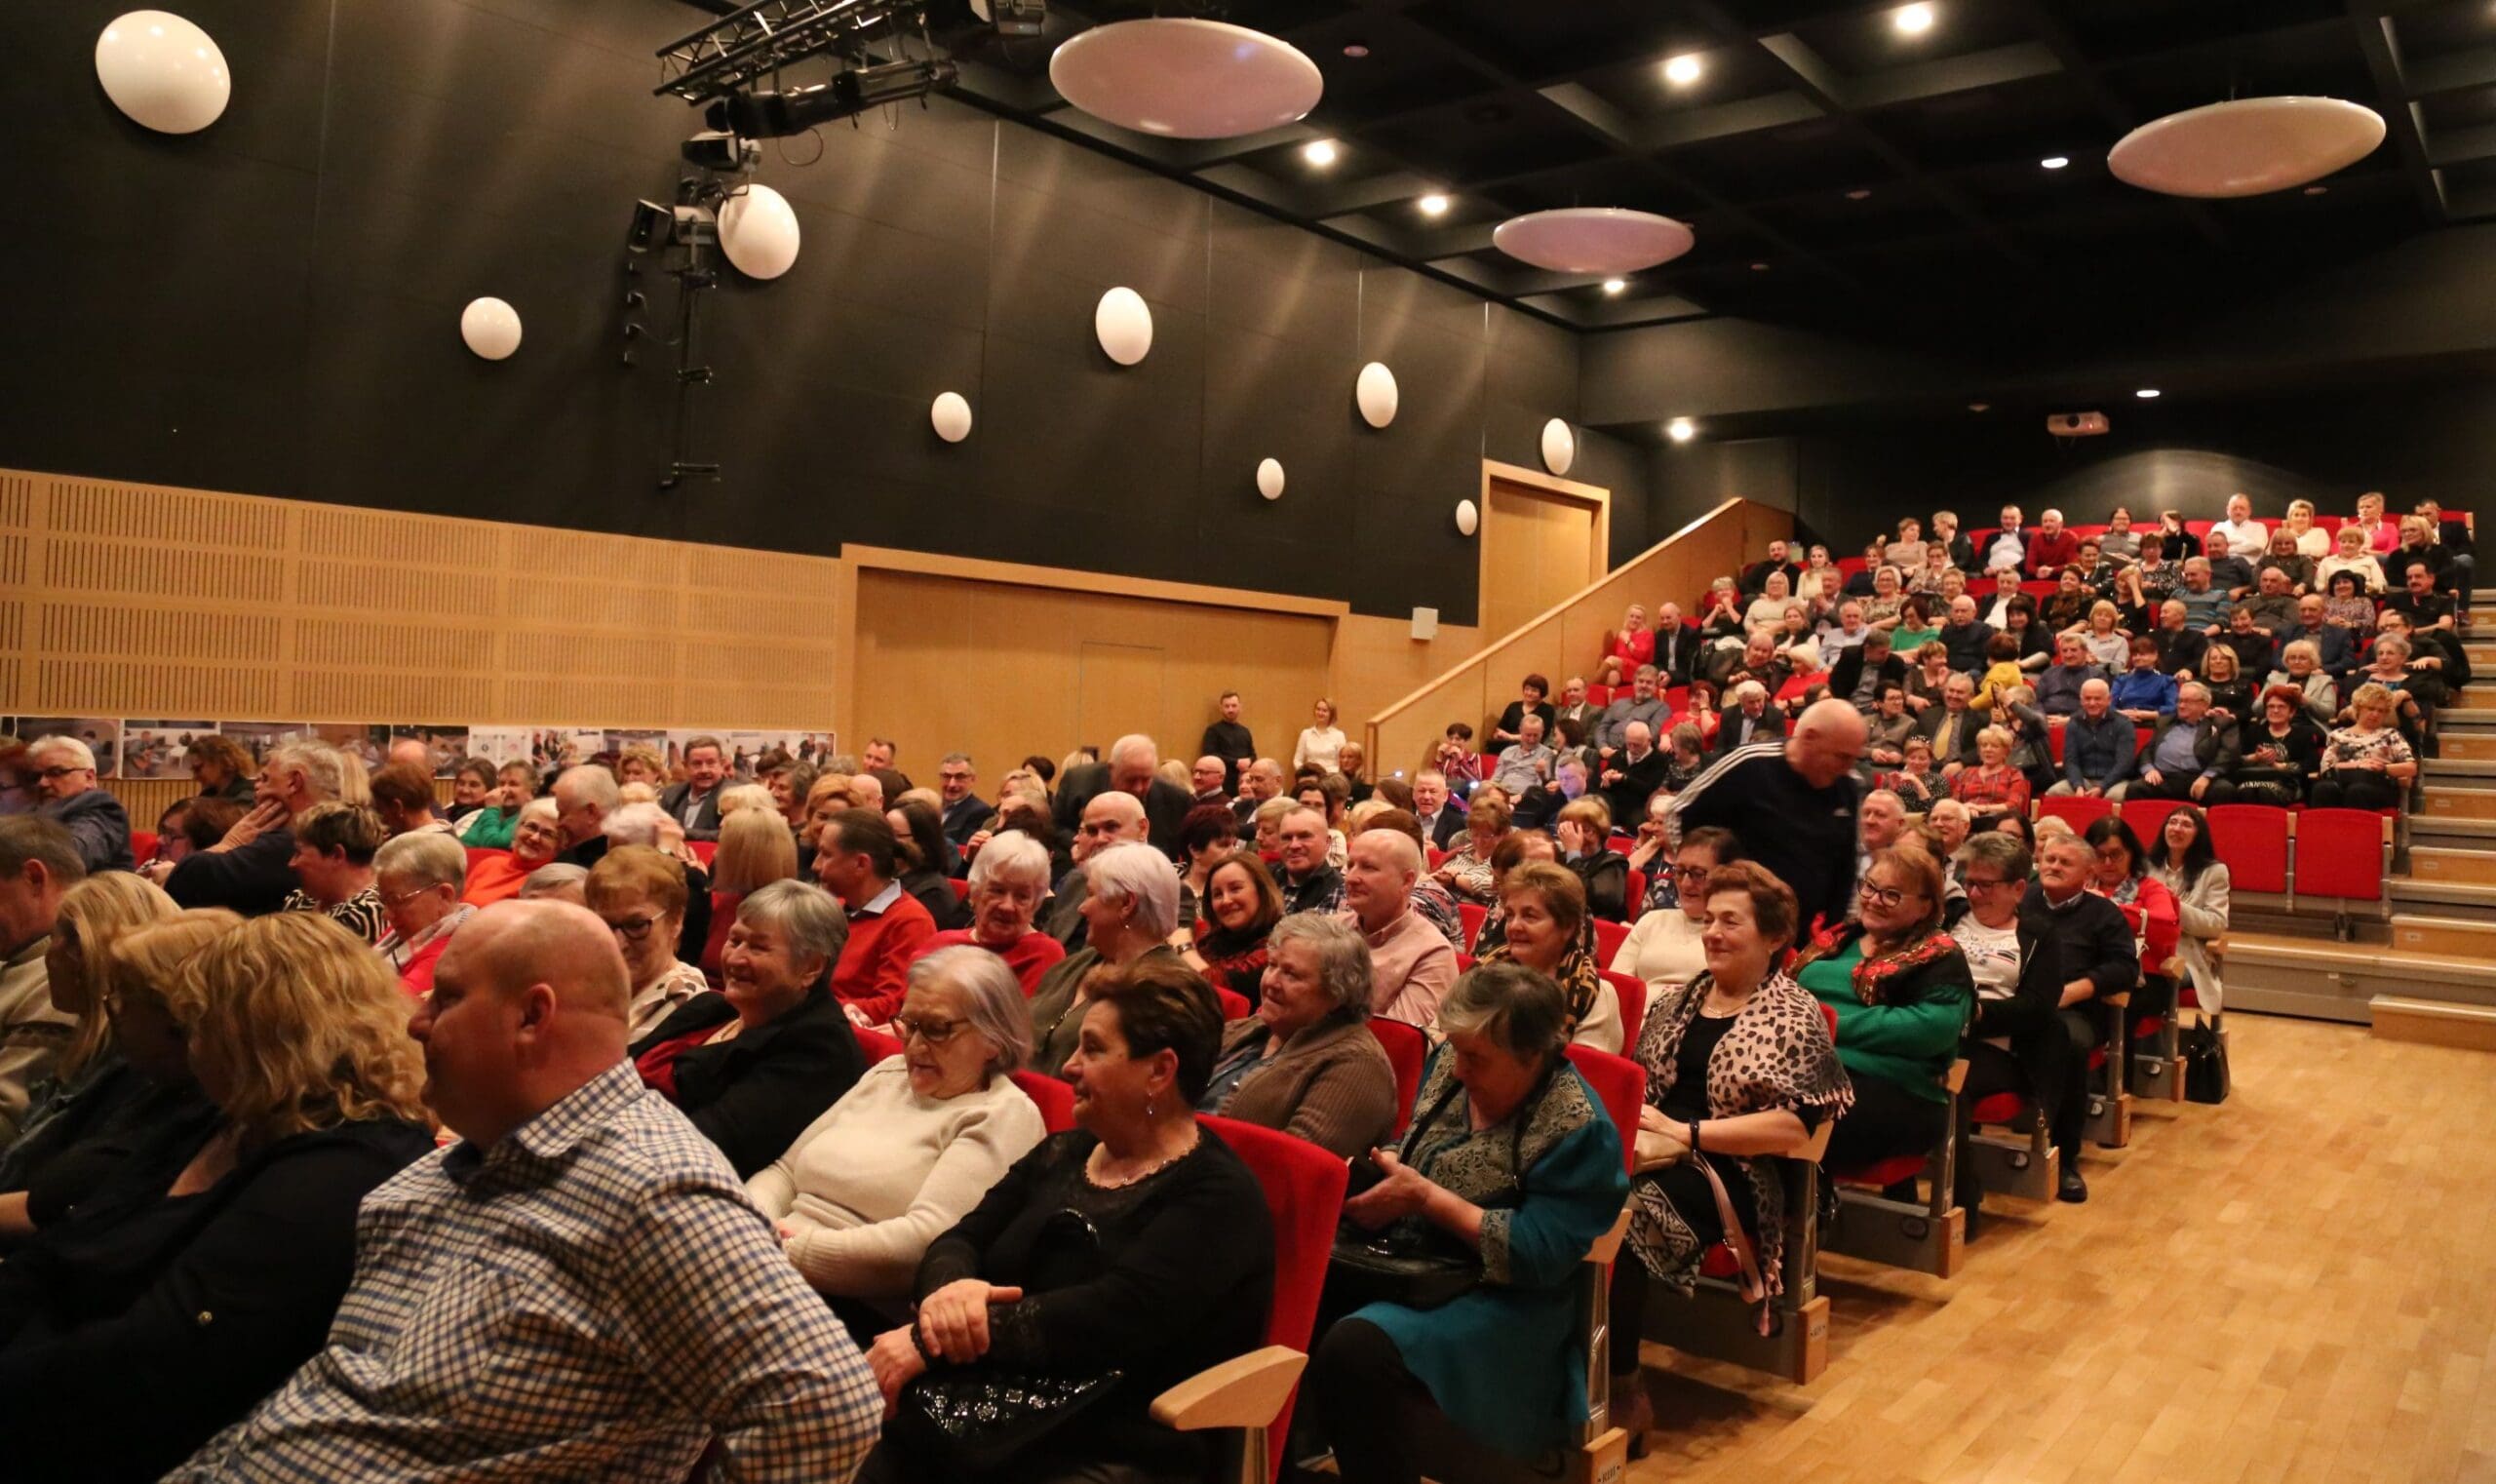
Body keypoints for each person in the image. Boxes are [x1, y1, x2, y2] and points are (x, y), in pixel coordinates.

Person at [163, 899, 878, 1480]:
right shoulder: (442, 1170)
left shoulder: (652, 1193)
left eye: (445, 1000)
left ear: (532, 1017)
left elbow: (824, 1410)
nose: (414, 1023)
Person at [0, 913, 434, 1482]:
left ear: (255, 1035)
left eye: (196, 1025)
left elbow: (152, 1364)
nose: (189, 1045)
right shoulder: (229, 1116)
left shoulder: (344, 1169)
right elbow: (61, 1252)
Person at [858, 962, 1270, 1484]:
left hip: (1117, 1436)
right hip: (992, 1407)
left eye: (1094, 1050)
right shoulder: (1064, 1151)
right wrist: (947, 1299)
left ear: (1160, 1072)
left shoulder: (1218, 1197)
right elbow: (959, 1239)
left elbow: (1111, 1317)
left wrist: (929, 1340)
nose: (1070, 1066)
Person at [1305, 962, 1628, 1483]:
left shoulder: (1578, 1128)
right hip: (1408, 1261)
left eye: (1475, 1058)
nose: (1457, 1069)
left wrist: (1424, 1198)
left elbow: (1537, 1254)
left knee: (1357, 1347)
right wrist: (1381, 1170)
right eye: (1455, 1049)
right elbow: (1415, 1147)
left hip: (1503, 1301)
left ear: (1533, 1056)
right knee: (1287, 1289)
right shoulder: (1453, 1068)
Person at [1611, 863, 1851, 1442]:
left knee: (1618, 1217)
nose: (1713, 932)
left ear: (1773, 937)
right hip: (1659, 1147)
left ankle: (1620, 1390)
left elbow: (1795, 1130)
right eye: (1709, 920)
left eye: (1731, 921)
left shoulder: (1795, 1013)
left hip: (1742, 1172)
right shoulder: (1683, 999)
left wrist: (1686, 1134)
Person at [749, 946, 1045, 1341]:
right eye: (909, 1023)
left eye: (937, 1028)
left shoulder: (1002, 1115)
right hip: (771, 1260)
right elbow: (783, 1173)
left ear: (992, 1038)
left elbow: (920, 1247)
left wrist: (783, 1252)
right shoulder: (889, 1074)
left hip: (853, 1309)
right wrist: (751, 1225)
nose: (915, 1044)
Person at [631, 879, 867, 1179]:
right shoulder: (711, 1008)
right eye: (734, 940)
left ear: (811, 967)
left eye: (757, 947)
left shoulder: (818, 1049)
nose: (735, 958)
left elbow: (705, 1146)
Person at [0, 872, 182, 1234]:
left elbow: (52, 1204)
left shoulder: (131, 1072)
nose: (46, 956)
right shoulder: (106, 1055)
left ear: (81, 952)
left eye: (53, 937)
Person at [1792, 845, 1970, 1170]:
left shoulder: (1939, 953)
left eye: (1892, 895)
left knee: (1797, 1117)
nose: (1873, 899)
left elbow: (1931, 1030)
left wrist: (1827, 1026)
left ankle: (1800, 1209)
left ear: (1925, 907)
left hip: (1897, 1089)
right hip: (1803, 1065)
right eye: (1870, 887)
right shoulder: (1838, 939)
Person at [1201, 913, 1398, 1158]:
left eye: (1291, 974)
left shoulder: (1359, 1066)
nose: (1271, 982)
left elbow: (1290, 1167)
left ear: (1337, 993)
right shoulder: (1252, 1027)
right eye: (1272, 965)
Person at [1668, 698, 1866, 937]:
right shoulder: (1749, 764)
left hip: (1796, 934)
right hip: (1731, 927)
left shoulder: (1848, 786)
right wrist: (1700, 882)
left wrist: (1833, 937)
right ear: (1810, 738)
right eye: (1842, 757)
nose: (1847, 767)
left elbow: (1846, 868)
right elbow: (1678, 813)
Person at [2028, 834, 2140, 1201]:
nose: (2053, 866)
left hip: (2073, 1008)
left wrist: (2078, 989)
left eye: (2064, 862)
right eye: (2049, 859)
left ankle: (2066, 1158)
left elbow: (2125, 967)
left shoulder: (2103, 913)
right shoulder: (2022, 899)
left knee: (2070, 1045)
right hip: (2018, 1002)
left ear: (2088, 874)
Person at [1029, 842, 1192, 1075]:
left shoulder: (1167, 993)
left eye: (1091, 895)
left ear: (1127, 904)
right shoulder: (1072, 965)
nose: (1081, 908)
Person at [813, 806, 938, 1027]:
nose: (816, 865)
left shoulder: (910, 921)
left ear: (861, 864)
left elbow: (894, 1006)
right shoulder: (836, 907)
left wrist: (811, 1006)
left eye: (826, 854)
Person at [1476, 861, 1621, 1051]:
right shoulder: (1484, 970)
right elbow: (1442, 1036)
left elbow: (1584, 1075)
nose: (1513, 926)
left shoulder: (1593, 994)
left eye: (1530, 916)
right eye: (1510, 915)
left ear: (1567, 927)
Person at [584, 845, 712, 1041]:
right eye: (605, 924)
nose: (618, 944)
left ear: (676, 921)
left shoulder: (687, 1006)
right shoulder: (592, 980)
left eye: (636, 925)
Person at [919, 830, 1066, 995]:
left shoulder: (1044, 955)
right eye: (998, 891)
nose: (1007, 906)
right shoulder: (940, 945)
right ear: (975, 892)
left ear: (1035, 904)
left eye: (1022, 896)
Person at [1611, 826, 1736, 1001]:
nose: (1685, 884)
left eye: (1698, 874)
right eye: (1679, 872)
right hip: (1631, 1024)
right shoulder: (1652, 920)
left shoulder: (1733, 936)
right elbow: (1615, 989)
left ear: (1726, 876)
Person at [1053, 735, 1194, 861]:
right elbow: (1056, 826)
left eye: (1146, 779)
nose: (1138, 788)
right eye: (1131, 780)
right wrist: (1083, 845)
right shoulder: (1078, 782)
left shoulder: (1176, 799)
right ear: (1111, 769)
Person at [370, 831, 472, 996]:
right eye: (384, 901)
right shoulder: (406, 931)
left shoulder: (449, 957)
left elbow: (381, 1012)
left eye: (395, 900)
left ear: (444, 895)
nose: (386, 914)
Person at [2150, 806, 2230, 1016]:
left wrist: (2173, 904)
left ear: (2198, 834)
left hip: (2186, 956)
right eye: (2173, 822)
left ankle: (2156, 1047)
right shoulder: (2147, 867)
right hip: (2147, 949)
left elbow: (2216, 924)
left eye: (2186, 825)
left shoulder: (2214, 872)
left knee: (2152, 983)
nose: (2177, 828)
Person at [1183, 848, 1283, 1005]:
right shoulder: (1209, 938)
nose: (1226, 901)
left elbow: (1213, 989)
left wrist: (1183, 944)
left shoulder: (1277, 945)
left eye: (1235, 888)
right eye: (1217, 894)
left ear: (1261, 890)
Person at [2113, 682, 2238, 804]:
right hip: (2163, 778)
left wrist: (2207, 777)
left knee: (2224, 790)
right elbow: (2147, 750)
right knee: (2136, 788)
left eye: (2187, 701)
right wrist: (2149, 769)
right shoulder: (2165, 722)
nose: (2181, 705)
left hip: (2198, 778)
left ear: (2204, 705)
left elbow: (2227, 755)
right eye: (2179, 701)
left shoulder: (2220, 724)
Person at [281, 802, 389, 945]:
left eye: (299, 852)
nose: (292, 863)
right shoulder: (301, 899)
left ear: (337, 855)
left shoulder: (366, 913)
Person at [27, 737, 134, 874]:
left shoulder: (100, 807)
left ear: (89, 777)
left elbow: (71, 857)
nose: (42, 783)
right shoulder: (33, 808)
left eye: (56, 773)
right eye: (36, 777)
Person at [2313, 683, 2416, 809]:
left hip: (2378, 784)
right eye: (2371, 709)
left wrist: (2382, 768)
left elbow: (2411, 767)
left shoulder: (2391, 735)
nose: (2376, 714)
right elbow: (2326, 768)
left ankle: (2357, 828)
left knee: (2357, 790)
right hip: (2343, 779)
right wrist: (2359, 765)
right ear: (2358, 709)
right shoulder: (2337, 735)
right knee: (2323, 788)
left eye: (2381, 711)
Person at [461, 796, 564, 908]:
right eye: (531, 827)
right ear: (517, 828)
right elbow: (458, 906)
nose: (534, 838)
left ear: (559, 846)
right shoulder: (489, 864)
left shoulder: (548, 886)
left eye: (547, 834)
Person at [888, 800, 970, 932]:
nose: (883, 840)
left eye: (895, 835)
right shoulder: (884, 877)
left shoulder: (933, 894)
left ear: (921, 841)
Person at [1275, 804, 1345, 916]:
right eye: (1287, 838)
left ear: (1327, 843)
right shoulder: (1265, 878)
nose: (1294, 845)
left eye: (1304, 836)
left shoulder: (1338, 890)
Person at [453, 760, 534, 848]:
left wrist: (492, 808)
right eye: (501, 784)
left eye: (513, 784)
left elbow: (491, 845)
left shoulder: (528, 819)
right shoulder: (491, 813)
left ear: (531, 792)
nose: (504, 789)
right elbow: (465, 841)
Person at [186, 734, 259, 804]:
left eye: (198, 768)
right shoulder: (208, 794)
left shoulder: (246, 797)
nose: (194, 777)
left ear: (223, 762)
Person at [1598, 604, 1657, 686]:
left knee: (1612, 659)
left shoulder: (1647, 634)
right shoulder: (1621, 634)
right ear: (1627, 618)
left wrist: (1627, 641)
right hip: (1622, 668)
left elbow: (1641, 655)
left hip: (1640, 669)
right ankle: (1603, 696)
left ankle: (1588, 689)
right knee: (1612, 677)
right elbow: (1614, 654)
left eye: (1638, 618)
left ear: (1643, 621)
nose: (1634, 620)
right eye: (1631, 616)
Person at [1293, 698, 1348, 776]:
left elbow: (1342, 762)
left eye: (1324, 711)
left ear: (1331, 714)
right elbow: (1297, 760)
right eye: (1318, 709)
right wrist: (1304, 774)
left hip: (1331, 778)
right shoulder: (1306, 733)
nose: (1320, 713)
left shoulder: (1339, 735)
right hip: (1310, 777)